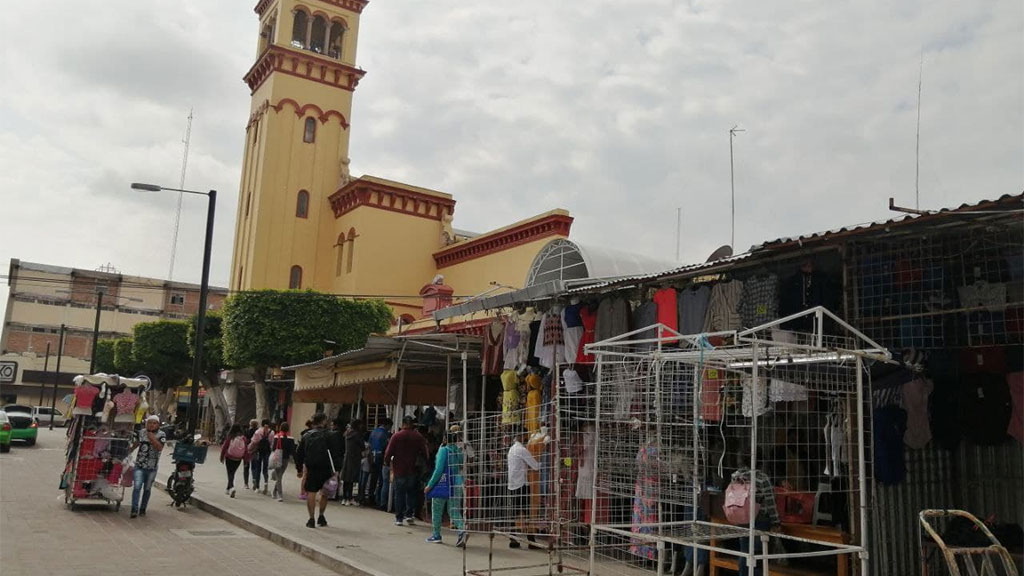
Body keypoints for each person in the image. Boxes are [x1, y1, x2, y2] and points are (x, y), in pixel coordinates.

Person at [424, 424, 468, 547]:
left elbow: (438, 470)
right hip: (457, 482)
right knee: (453, 510)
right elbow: (460, 465)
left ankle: (436, 535)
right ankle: (462, 529)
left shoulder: (443, 450)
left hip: (443, 483)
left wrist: (429, 485)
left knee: (437, 509)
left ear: (444, 439)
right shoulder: (458, 451)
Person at [383, 415, 428, 526]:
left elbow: (389, 452)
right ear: (412, 424)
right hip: (413, 469)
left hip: (399, 469)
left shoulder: (396, 436)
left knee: (399, 494)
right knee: (411, 493)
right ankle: (409, 515)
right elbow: (425, 452)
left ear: (403, 424)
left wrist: (387, 462)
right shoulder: (418, 437)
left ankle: (399, 518)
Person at [295, 412, 335, 528]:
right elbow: (336, 453)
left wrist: (299, 469)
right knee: (324, 493)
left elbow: (299, 453)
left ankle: (311, 519)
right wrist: (336, 469)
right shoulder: (330, 435)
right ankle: (321, 516)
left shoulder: (306, 435)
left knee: (311, 493)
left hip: (311, 468)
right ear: (323, 421)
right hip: (326, 468)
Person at [507, 429, 541, 548]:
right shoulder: (522, 450)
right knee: (526, 513)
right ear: (521, 436)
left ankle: (513, 538)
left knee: (515, 513)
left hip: (512, 485)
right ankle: (531, 541)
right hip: (521, 485)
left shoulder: (511, 449)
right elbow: (535, 466)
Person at [129, 415, 166, 518]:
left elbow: (159, 448)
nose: (152, 425)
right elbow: (136, 444)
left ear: (158, 425)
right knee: (137, 487)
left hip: (152, 468)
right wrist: (128, 451)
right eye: (150, 422)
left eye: (154, 423)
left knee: (147, 489)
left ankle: (143, 508)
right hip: (139, 465)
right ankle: (134, 509)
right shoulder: (141, 432)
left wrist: (152, 438)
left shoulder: (161, 434)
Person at [368, 418, 392, 508]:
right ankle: (379, 499)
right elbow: (387, 446)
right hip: (380, 456)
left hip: (372, 455)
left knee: (373, 478)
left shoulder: (374, 432)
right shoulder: (385, 434)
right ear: (387, 425)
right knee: (381, 479)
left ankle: (371, 496)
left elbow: (369, 444)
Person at [270, 422, 297, 502]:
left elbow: (273, 448)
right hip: (286, 459)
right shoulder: (291, 438)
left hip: (278, 457)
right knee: (280, 476)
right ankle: (279, 494)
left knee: (279, 476)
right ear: (288, 429)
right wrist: (296, 462)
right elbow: (293, 451)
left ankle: (275, 492)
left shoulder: (276, 437)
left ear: (280, 428)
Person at [341, 419, 364, 505]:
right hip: (354, 459)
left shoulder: (347, 434)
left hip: (347, 458)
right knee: (351, 479)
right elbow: (362, 446)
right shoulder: (357, 435)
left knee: (346, 479)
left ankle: (344, 498)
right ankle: (349, 498)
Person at [220, 423, 247, 498]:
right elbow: (246, 450)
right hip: (238, 458)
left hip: (229, 457)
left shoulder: (230, 437)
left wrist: (222, 457)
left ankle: (231, 487)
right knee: (233, 473)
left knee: (229, 473)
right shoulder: (243, 438)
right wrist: (245, 461)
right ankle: (228, 488)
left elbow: (225, 447)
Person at [249, 419, 273, 494]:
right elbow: (272, 443)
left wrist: (249, 449)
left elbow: (253, 442)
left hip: (258, 452)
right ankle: (266, 483)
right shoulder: (271, 432)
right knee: (265, 469)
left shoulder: (258, 432)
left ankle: (257, 487)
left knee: (258, 469)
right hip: (267, 452)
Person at [242, 419, 258, 489]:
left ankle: (246, 484)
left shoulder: (246, 431)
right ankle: (254, 479)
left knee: (246, 467)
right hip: (255, 451)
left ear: (250, 424)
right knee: (254, 467)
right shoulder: (258, 432)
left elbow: (244, 441)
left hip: (247, 451)